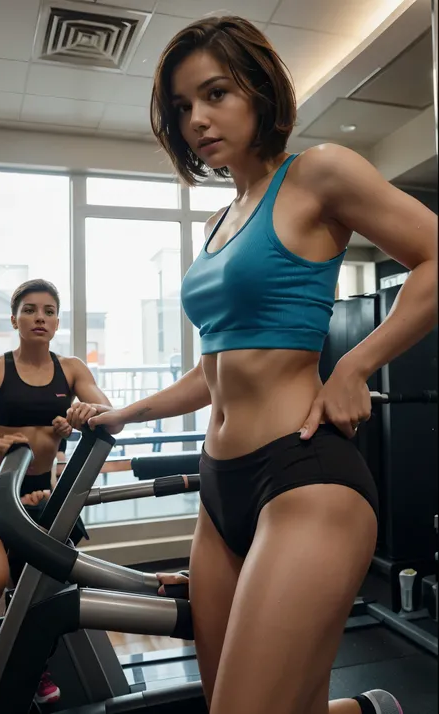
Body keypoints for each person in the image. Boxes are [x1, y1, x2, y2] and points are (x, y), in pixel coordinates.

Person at [89, 15, 437, 714]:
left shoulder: (317, 175)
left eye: (216, 94)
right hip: (221, 493)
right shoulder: (223, 219)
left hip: (302, 476)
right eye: (183, 107)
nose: (197, 119)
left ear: (259, 89)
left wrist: (354, 366)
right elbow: (214, 370)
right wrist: (122, 413)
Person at [0, 278, 114, 705]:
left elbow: (108, 414)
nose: (39, 318)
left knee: (42, 594)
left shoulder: (71, 370)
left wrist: (84, 416)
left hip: (43, 495)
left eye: (48, 311)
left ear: (56, 321)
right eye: (30, 310)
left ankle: (34, 665)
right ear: (14, 319)